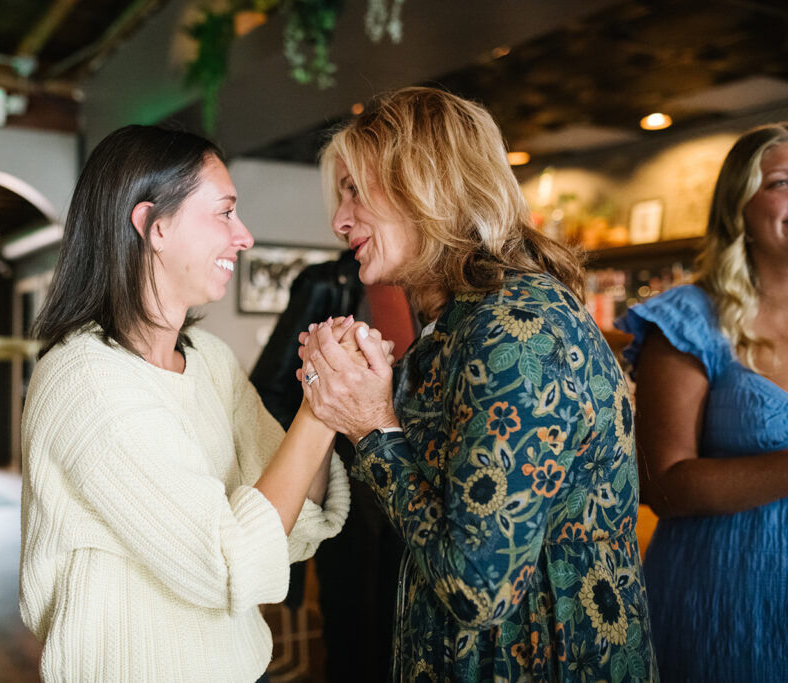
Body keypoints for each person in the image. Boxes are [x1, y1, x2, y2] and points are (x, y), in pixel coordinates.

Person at [297, 87, 658, 681]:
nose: (340, 221)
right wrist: (345, 401)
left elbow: (479, 589)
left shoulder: (517, 335)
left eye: (355, 190)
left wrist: (373, 427)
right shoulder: (463, 323)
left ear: (427, 186)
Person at [18, 124, 351, 682]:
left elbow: (288, 522)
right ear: (153, 225)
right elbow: (230, 563)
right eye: (224, 212)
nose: (243, 236)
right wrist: (321, 409)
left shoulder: (210, 360)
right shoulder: (88, 384)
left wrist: (328, 396)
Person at [615, 123, 788, 681]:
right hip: (724, 599)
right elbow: (660, 483)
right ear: (739, 206)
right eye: (783, 183)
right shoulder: (690, 318)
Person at [248, 249, 410, 682]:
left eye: (356, 191)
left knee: (402, 633)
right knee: (351, 631)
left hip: (417, 489)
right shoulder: (327, 283)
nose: (344, 214)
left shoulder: (432, 286)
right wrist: (318, 424)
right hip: (351, 494)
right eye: (342, 190)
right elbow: (269, 388)